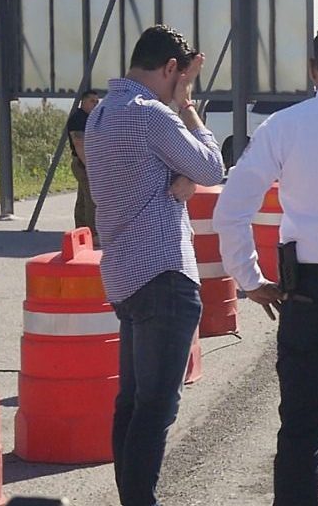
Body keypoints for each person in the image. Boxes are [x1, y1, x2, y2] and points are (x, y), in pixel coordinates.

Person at [214, 20, 318, 505]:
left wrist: (250, 279)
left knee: (301, 432)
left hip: (307, 291)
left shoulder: (284, 125)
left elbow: (230, 209)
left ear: (313, 69)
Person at [83, 25, 224, 506]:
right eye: (181, 78)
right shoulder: (150, 114)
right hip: (164, 271)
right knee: (157, 407)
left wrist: (181, 175)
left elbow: (171, 172)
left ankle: (132, 498)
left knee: (132, 403)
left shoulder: (104, 112)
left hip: (125, 274)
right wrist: (187, 107)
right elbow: (212, 167)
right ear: (170, 69)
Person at [67, 88, 101, 235]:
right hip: (83, 162)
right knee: (91, 199)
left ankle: (80, 231)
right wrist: (89, 165)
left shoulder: (89, 118)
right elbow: (78, 143)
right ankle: (92, 233)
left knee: (83, 198)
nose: (95, 104)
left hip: (86, 162)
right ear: (83, 102)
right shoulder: (79, 118)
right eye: (92, 101)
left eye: (97, 102)